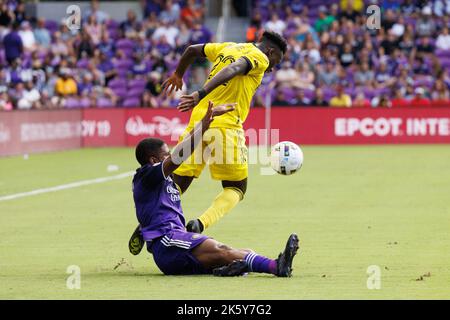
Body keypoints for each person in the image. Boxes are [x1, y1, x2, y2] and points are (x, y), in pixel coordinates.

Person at [129, 31, 287, 254]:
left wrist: (178, 74)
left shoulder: (228, 47)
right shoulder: (259, 57)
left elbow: (192, 50)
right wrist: (200, 93)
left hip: (198, 125)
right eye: (275, 62)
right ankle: (200, 224)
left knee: (176, 182)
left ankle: (147, 224)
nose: (271, 68)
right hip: (225, 124)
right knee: (236, 188)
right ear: (269, 51)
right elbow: (234, 69)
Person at [131, 101, 299, 277]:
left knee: (243, 253)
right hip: (168, 242)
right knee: (221, 249)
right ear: (152, 160)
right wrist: (203, 126)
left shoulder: (165, 181)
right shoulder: (145, 176)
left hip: (176, 246)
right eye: (165, 154)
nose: (169, 156)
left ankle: (229, 270)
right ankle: (276, 266)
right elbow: (178, 157)